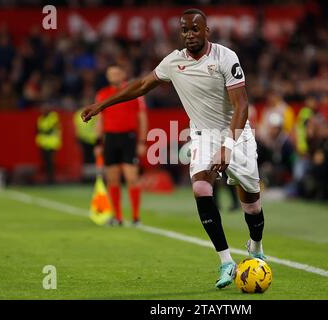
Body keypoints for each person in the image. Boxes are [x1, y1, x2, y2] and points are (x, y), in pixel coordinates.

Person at [81, 9, 266, 289]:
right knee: (201, 188)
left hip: (237, 135)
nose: (189, 35)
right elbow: (142, 85)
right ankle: (226, 261)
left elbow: (242, 106)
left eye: (195, 29)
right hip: (203, 137)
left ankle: (255, 246)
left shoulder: (226, 58)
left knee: (251, 204)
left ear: (207, 31)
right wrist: (101, 106)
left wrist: (228, 146)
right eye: (185, 30)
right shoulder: (174, 61)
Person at [94, 64, 148, 226]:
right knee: (112, 179)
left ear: (123, 74)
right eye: (110, 73)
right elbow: (100, 119)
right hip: (110, 138)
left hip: (128, 138)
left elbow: (142, 117)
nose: (113, 76)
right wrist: (98, 142)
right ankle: (117, 217)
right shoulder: (102, 94)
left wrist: (141, 141)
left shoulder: (134, 92)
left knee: (132, 178)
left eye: (116, 73)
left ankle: (136, 217)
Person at [35, 104, 62, 184]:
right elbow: (38, 129)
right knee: (46, 162)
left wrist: (43, 131)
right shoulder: (40, 118)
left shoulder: (53, 116)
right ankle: (48, 178)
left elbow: (49, 129)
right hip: (43, 143)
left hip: (52, 143)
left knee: (51, 162)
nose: (43, 111)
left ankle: (51, 179)